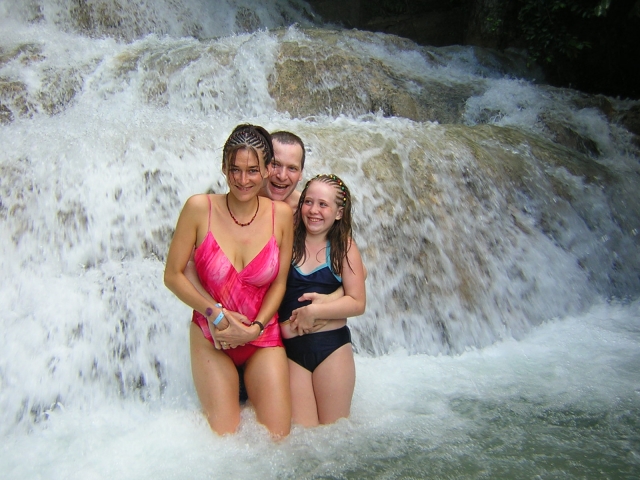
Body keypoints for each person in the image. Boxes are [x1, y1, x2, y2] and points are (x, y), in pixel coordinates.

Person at [164, 124, 294, 437]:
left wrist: (254, 328)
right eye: (234, 169)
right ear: (224, 167)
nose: (242, 179)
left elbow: (279, 284)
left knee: (279, 440)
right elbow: (172, 275)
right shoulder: (199, 208)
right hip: (212, 336)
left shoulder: (282, 215)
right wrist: (216, 314)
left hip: (261, 335)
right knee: (225, 443)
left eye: (252, 170)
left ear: (266, 170)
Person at [278, 174, 366, 427]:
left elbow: (358, 301)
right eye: (308, 202)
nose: (313, 210)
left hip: (332, 349)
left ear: (339, 213)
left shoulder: (343, 248)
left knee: (334, 437)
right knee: (305, 442)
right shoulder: (288, 241)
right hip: (292, 353)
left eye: (323, 204)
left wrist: (317, 311)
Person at [259, 130, 305, 212]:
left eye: (292, 168)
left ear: (301, 173)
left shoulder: (305, 213)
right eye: (275, 164)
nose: (282, 176)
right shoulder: (239, 201)